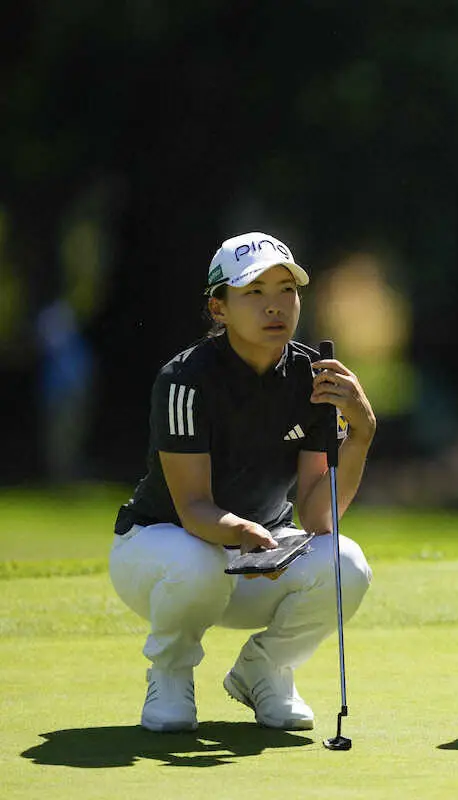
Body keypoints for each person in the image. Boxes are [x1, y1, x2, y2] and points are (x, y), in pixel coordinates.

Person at [109, 231, 376, 733]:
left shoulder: (311, 379)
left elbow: (319, 517)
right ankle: (169, 674)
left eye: (286, 291)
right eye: (254, 293)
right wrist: (244, 533)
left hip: (259, 557)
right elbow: (193, 509)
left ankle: (264, 670)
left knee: (347, 564)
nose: (275, 306)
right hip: (161, 551)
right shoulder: (185, 380)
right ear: (219, 308)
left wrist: (360, 433)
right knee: (198, 557)